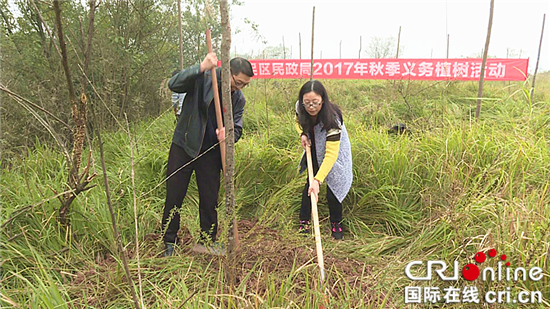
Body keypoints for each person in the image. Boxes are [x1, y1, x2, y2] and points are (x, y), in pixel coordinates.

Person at [162, 53, 254, 256]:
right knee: (175, 195)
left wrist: (228, 135)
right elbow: (174, 84)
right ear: (228, 72)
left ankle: (206, 240)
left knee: (210, 199)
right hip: (185, 144)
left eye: (244, 85)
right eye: (237, 82)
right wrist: (201, 67)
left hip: (211, 152)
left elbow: (237, 128)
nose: (239, 88)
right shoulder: (203, 78)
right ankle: (170, 241)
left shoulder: (238, 98)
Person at [295, 80, 353, 240]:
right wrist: (303, 134)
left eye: (315, 103)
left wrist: (318, 180)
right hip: (313, 146)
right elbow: (298, 121)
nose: (311, 107)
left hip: (334, 151)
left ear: (323, 100)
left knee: (334, 186)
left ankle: (336, 222)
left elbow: (331, 155)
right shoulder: (301, 107)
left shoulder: (333, 119)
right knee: (309, 184)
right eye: (307, 103)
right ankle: (304, 220)